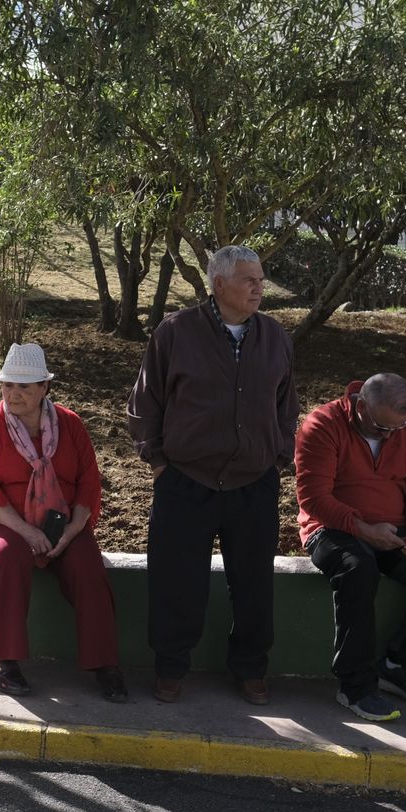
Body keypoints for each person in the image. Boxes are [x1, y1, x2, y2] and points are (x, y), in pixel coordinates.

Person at [127, 244, 298, 705]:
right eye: (249, 280)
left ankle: (251, 669)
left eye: (260, 279)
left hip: (253, 483)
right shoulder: (175, 332)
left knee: (254, 583)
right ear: (219, 284)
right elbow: (145, 404)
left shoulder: (276, 338)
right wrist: (159, 464)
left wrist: (278, 459)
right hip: (185, 480)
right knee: (176, 581)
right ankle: (170, 667)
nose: (259, 288)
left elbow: (287, 407)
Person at [296, 374, 406, 721]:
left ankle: (398, 665)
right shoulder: (323, 424)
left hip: (393, 528)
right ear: (360, 406)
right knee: (358, 569)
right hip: (332, 528)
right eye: (381, 428)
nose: (390, 435)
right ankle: (355, 686)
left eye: (397, 427)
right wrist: (364, 530)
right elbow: (314, 498)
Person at [0, 342, 127, 702]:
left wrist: (73, 530)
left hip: (63, 522)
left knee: (88, 565)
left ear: (44, 388)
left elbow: (89, 482)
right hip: (9, 521)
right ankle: (2, 661)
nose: (13, 394)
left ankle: (105, 663)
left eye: (24, 386)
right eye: (8, 385)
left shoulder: (70, 424)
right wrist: (25, 531)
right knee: (7, 557)